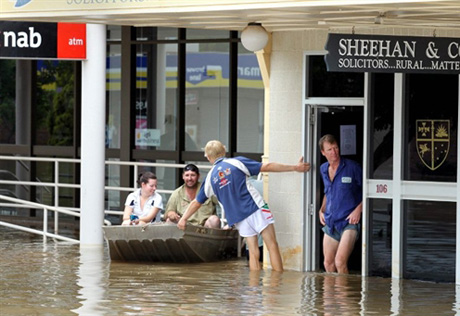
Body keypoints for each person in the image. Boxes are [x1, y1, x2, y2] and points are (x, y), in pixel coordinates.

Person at [177, 140, 311, 272]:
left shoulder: (210, 178)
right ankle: (276, 287)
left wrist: (183, 219)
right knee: (272, 245)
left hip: (239, 218)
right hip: (256, 208)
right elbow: (267, 166)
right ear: (224, 151)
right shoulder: (236, 162)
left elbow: (196, 202)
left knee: (253, 253)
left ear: (208, 157)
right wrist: (295, 167)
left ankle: (252, 291)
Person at [318, 134, 362, 274]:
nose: (334, 152)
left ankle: (344, 296)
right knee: (328, 263)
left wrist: (358, 210)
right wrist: (321, 209)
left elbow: (368, 191)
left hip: (349, 221)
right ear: (323, 152)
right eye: (330, 149)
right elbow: (328, 192)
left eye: (336, 148)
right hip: (332, 221)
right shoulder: (323, 169)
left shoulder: (352, 167)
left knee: (340, 262)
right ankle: (331, 296)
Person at [164, 163, 221, 228]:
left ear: (199, 176)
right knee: (169, 221)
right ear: (183, 176)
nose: (190, 178)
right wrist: (172, 214)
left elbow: (224, 202)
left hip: (205, 228)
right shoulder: (177, 193)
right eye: (187, 175)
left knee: (214, 220)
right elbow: (168, 212)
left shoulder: (206, 190)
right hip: (185, 228)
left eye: (193, 175)